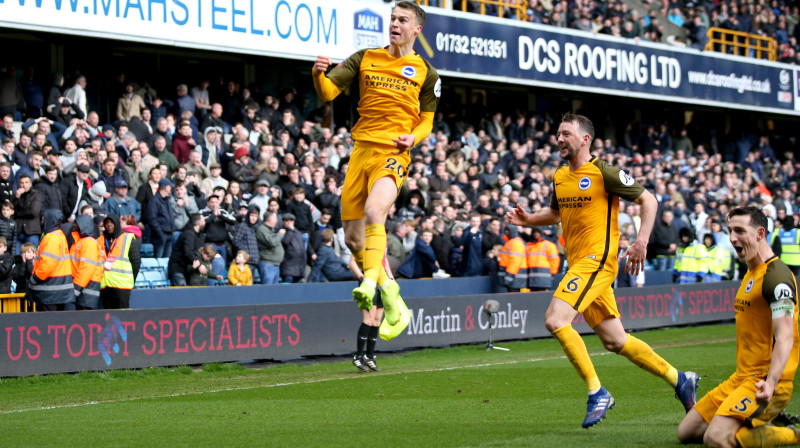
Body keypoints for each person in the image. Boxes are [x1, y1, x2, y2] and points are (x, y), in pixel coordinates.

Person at [506, 113, 698, 428]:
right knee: (615, 341)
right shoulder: (559, 176)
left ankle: (598, 393)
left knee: (556, 319)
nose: (559, 138)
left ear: (585, 139)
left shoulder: (604, 172)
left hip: (598, 260)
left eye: (566, 133)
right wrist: (528, 220)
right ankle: (680, 379)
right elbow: (555, 214)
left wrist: (641, 242)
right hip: (579, 263)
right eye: (557, 133)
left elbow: (649, 201)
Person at [312, 0, 440, 324]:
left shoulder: (427, 72)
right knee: (353, 240)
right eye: (393, 18)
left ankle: (370, 284)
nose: (395, 24)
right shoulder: (366, 57)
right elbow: (327, 92)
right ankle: (391, 291)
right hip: (360, 152)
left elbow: (427, 120)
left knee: (374, 212)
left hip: (394, 153)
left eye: (403, 20)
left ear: (417, 28)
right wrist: (317, 75)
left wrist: (414, 137)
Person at [677, 206, 800, 447]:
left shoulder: (776, 278)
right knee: (686, 433)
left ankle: (792, 434)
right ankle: (765, 422)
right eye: (730, 230)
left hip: (766, 382)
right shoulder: (751, 271)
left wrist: (772, 383)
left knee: (716, 438)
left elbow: (785, 337)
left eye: (740, 231)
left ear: (760, 233)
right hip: (741, 378)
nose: (732, 238)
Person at [27, 209, 74, 311]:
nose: (41, 220)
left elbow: (47, 265)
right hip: (57, 290)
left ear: (50, 219)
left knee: (46, 324)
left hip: (49, 291)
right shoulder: (59, 235)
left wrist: (33, 279)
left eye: (43, 218)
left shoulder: (51, 237)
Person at [98, 214, 141, 309]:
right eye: (107, 223)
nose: (109, 225)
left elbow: (136, 262)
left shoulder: (127, 238)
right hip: (105, 285)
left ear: (117, 224)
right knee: (108, 317)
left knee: (123, 316)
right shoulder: (100, 240)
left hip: (122, 285)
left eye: (111, 223)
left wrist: (131, 279)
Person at [350, 257, 384, 372]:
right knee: (369, 318)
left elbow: (384, 261)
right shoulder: (364, 241)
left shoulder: (381, 242)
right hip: (369, 284)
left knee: (376, 320)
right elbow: (352, 262)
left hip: (381, 283)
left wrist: (390, 278)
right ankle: (358, 356)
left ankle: (369, 356)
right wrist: (361, 277)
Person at [70, 214, 103, 310]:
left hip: (86, 291)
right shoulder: (81, 242)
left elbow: (86, 270)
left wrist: (75, 289)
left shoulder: (88, 243)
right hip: (84, 291)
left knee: (84, 322)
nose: (74, 225)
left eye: (77, 223)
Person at [167, 213, 206, 286]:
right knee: (182, 293)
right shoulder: (189, 234)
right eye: (204, 221)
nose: (205, 223)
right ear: (200, 223)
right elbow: (188, 252)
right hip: (178, 269)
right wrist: (199, 264)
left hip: (187, 269)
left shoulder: (198, 235)